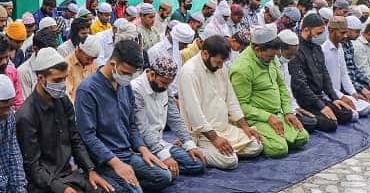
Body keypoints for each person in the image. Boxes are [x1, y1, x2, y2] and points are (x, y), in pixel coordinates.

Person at [15, 49, 117, 193]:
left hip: (68, 174)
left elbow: (75, 138)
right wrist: (60, 190)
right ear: (41, 78)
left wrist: (90, 170)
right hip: (45, 182)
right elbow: (33, 166)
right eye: (57, 80)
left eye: (64, 79)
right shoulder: (26, 115)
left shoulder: (62, 100)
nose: (62, 84)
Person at [74, 40, 172, 193]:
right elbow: (88, 136)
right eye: (126, 73)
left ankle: (129, 179)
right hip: (103, 159)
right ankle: (102, 176)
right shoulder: (87, 90)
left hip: (127, 153)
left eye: (131, 74)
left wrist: (143, 149)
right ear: (113, 63)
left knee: (165, 176)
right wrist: (116, 164)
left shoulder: (124, 86)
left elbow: (132, 124)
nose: (128, 77)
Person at [176, 35, 264, 168]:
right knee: (230, 161)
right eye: (218, 62)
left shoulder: (220, 67)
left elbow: (231, 99)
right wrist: (215, 139)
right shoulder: (189, 72)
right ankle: (191, 147)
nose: (221, 66)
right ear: (205, 54)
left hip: (224, 128)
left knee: (256, 145)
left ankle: (226, 150)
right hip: (202, 134)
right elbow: (195, 114)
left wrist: (245, 126)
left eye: (223, 62)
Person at [229, 26, 309, 158]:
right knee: (278, 149)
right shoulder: (242, 69)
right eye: (270, 56)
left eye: (274, 56)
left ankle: (278, 135)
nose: (273, 60)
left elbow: (281, 86)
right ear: (257, 49)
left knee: (302, 137)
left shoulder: (270, 58)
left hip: (277, 114)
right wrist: (268, 117)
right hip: (255, 118)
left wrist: (288, 111)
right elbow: (240, 106)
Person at [132, 56, 207, 176]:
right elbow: (142, 129)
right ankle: (161, 169)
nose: (166, 87)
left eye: (169, 84)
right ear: (152, 74)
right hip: (142, 147)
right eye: (163, 83)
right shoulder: (136, 89)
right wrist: (164, 156)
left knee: (198, 164)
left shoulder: (165, 87)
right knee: (164, 176)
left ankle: (167, 168)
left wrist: (189, 145)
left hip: (161, 142)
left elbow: (175, 119)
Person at [288, 13, 354, 132]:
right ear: (306, 30)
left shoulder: (317, 48)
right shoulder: (297, 50)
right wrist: (321, 106)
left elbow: (325, 75)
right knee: (330, 124)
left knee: (346, 113)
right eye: (318, 33)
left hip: (318, 97)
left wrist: (334, 98)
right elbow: (300, 85)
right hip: (305, 100)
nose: (321, 36)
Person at [321, 17, 370, 119]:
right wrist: (341, 97)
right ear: (331, 31)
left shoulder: (340, 48)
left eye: (346, 32)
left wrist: (353, 93)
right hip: (327, 95)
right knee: (352, 115)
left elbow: (344, 75)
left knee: (367, 106)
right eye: (342, 32)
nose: (345, 35)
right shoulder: (323, 51)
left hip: (339, 93)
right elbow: (323, 83)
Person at [276, 30, 318, 132]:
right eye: (289, 55)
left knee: (312, 121)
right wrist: (287, 112)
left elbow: (286, 88)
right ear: (279, 49)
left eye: (294, 55)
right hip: (276, 109)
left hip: (287, 106)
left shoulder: (284, 63)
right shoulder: (271, 63)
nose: (292, 58)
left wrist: (294, 107)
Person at [343, 16, 370, 105]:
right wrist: (359, 89)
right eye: (356, 32)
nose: (359, 34)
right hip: (347, 86)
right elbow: (345, 76)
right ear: (347, 30)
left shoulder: (349, 45)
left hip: (356, 81)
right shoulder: (353, 45)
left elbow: (355, 70)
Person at [65, 33, 100, 102]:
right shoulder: (66, 66)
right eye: (88, 59)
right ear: (79, 50)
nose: (91, 62)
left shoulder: (93, 63)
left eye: (93, 59)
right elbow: (68, 96)